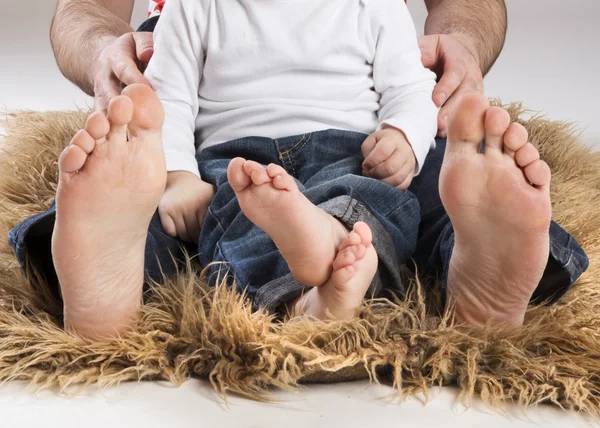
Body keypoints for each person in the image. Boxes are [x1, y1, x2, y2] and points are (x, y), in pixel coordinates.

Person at [7, 0, 588, 339]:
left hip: (356, 144)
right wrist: (175, 172)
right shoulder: (193, 10)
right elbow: (172, 101)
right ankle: (105, 272)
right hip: (232, 154)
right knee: (170, 200)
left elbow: (408, 87)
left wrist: (408, 136)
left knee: (413, 188)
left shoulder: (371, 7)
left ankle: (481, 268)